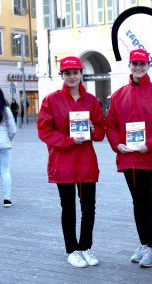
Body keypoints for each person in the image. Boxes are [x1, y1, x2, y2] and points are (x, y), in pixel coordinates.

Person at [106, 49, 152, 268]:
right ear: (129, 66)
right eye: (134, 64)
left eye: (142, 64)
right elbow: (111, 125)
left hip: (151, 157)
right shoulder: (118, 94)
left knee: (150, 203)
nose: (138, 67)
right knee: (138, 203)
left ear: (148, 66)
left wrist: (149, 144)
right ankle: (145, 243)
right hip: (129, 160)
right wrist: (117, 144)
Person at [37, 56, 105, 268]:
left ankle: (85, 247)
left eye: (75, 72)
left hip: (86, 162)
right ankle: (72, 249)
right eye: (67, 73)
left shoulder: (91, 101)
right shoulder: (51, 100)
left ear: (81, 74)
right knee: (68, 208)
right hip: (63, 162)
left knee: (89, 208)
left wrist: (94, 130)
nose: (72, 76)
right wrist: (67, 140)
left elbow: (102, 132)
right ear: (62, 76)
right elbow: (44, 131)